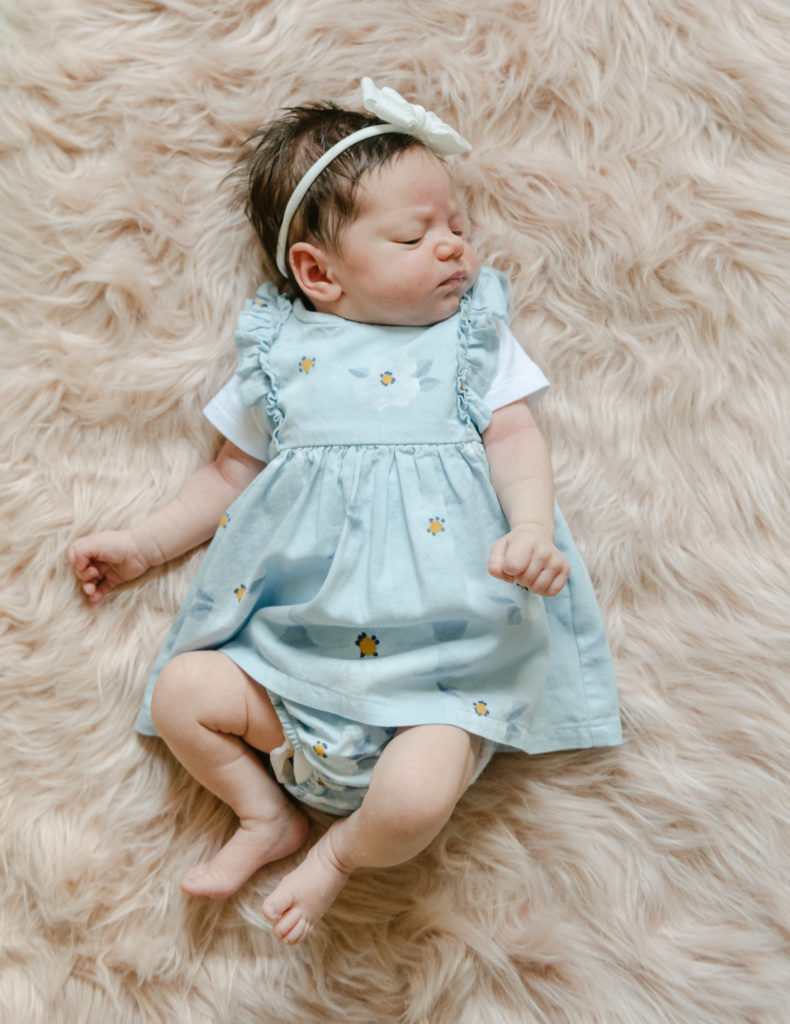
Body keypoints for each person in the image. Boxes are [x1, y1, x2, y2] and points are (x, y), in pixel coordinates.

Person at [69, 80, 621, 946]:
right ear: (317, 273)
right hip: (293, 664)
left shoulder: (471, 339)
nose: (452, 250)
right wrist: (142, 545)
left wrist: (532, 529)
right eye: (414, 235)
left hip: (445, 666)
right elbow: (225, 478)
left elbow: (515, 438)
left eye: (456, 229)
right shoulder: (280, 356)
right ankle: (265, 815)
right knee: (182, 693)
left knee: (415, 798)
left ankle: (336, 858)